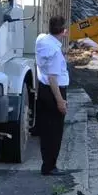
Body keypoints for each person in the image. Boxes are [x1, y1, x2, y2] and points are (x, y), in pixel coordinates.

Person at [35, 15, 70, 176]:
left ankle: (46, 164)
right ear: (63, 31)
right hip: (54, 90)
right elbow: (53, 78)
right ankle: (50, 166)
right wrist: (60, 101)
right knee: (55, 131)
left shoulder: (41, 40)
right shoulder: (55, 52)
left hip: (42, 88)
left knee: (45, 130)